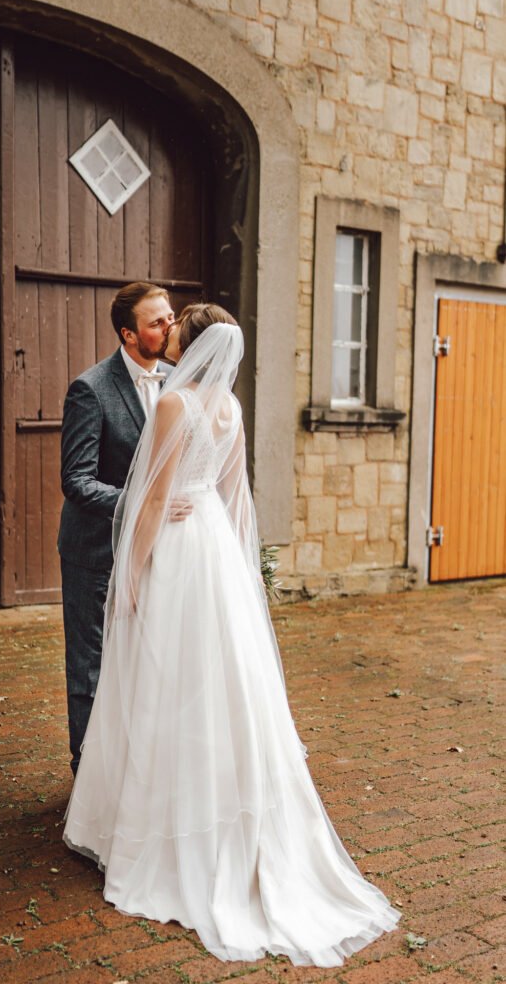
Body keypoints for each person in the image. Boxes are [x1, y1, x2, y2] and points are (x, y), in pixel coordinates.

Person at [63, 303, 401, 966]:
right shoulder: (230, 408)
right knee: (215, 681)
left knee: (165, 676)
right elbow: (231, 491)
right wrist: (242, 573)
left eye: (177, 323)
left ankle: (164, 828)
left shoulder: (174, 405)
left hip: (180, 549)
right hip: (216, 550)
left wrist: (131, 572)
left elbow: (155, 499)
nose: (169, 328)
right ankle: (224, 810)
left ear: (188, 342)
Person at [58, 281, 182, 777]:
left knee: (145, 661)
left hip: (159, 551)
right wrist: (143, 504)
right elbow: (77, 481)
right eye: (157, 322)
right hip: (96, 550)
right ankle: (87, 777)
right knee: (92, 665)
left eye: (170, 316)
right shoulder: (91, 389)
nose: (170, 326)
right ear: (129, 336)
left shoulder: (180, 380)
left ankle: (134, 779)